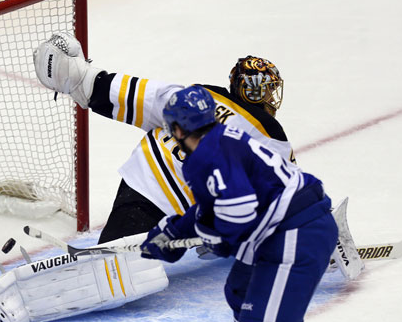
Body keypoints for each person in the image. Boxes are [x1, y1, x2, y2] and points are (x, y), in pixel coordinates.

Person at [139, 86, 338, 322]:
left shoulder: (206, 156)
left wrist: (214, 240)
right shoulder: (221, 139)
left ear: (177, 130)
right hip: (283, 226)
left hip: (297, 230)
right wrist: (172, 232)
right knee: (238, 289)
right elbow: (211, 210)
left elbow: (238, 216)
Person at [33, 32, 294, 246]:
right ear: (257, 91)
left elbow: (146, 98)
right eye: (270, 90)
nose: (272, 98)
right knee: (121, 258)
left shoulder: (200, 95)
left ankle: (112, 252)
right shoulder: (268, 132)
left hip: (141, 178)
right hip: (177, 203)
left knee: (119, 247)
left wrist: (85, 80)